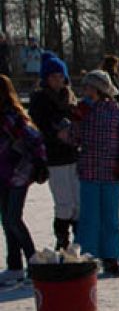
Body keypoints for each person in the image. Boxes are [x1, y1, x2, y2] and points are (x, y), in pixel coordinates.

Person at [63, 69, 119, 274]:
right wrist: (73, 124)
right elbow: (74, 139)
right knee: (89, 217)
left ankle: (110, 255)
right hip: (89, 172)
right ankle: (88, 254)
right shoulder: (83, 113)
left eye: (88, 88)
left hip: (111, 173)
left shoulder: (118, 114)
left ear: (100, 90)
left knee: (110, 217)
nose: (85, 92)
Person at [28, 51, 79, 250]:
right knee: (64, 203)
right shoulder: (40, 99)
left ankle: (78, 240)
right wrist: (54, 133)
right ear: (46, 79)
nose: (57, 80)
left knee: (77, 204)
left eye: (60, 76)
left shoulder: (70, 97)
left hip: (73, 154)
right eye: (53, 77)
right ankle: (62, 240)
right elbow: (37, 127)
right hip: (54, 157)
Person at [0, 75, 44, 284]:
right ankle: (14, 265)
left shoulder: (12, 117)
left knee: (13, 218)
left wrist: (40, 163)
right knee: (6, 220)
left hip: (19, 173)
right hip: (3, 174)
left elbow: (35, 139)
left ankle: (33, 262)